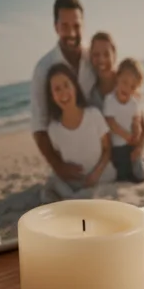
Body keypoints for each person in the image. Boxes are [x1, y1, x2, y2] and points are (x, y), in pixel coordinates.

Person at [78, 31, 144, 177]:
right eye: (96, 55)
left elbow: (143, 122)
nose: (101, 59)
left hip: (134, 145)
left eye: (106, 54)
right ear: (91, 58)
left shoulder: (126, 82)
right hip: (114, 151)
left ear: (114, 55)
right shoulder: (92, 95)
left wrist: (140, 147)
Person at [30, 0, 97, 184]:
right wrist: (58, 166)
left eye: (76, 26)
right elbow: (39, 124)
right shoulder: (43, 68)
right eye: (65, 26)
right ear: (56, 27)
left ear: (83, 25)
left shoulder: (93, 58)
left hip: (100, 150)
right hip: (69, 158)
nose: (72, 33)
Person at [41, 63, 115, 201]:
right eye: (57, 89)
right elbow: (60, 158)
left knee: (85, 196)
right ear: (52, 96)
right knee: (52, 186)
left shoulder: (93, 115)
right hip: (75, 183)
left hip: (102, 176)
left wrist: (95, 174)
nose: (63, 93)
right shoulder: (53, 129)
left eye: (66, 85)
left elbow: (107, 149)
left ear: (74, 86)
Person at [102, 58, 144, 182]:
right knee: (123, 173)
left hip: (132, 143)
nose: (127, 88)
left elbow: (136, 121)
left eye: (132, 86)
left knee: (138, 168)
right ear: (117, 77)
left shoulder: (134, 103)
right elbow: (110, 122)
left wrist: (136, 134)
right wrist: (126, 135)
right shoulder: (110, 100)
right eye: (124, 82)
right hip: (118, 146)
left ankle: (142, 171)